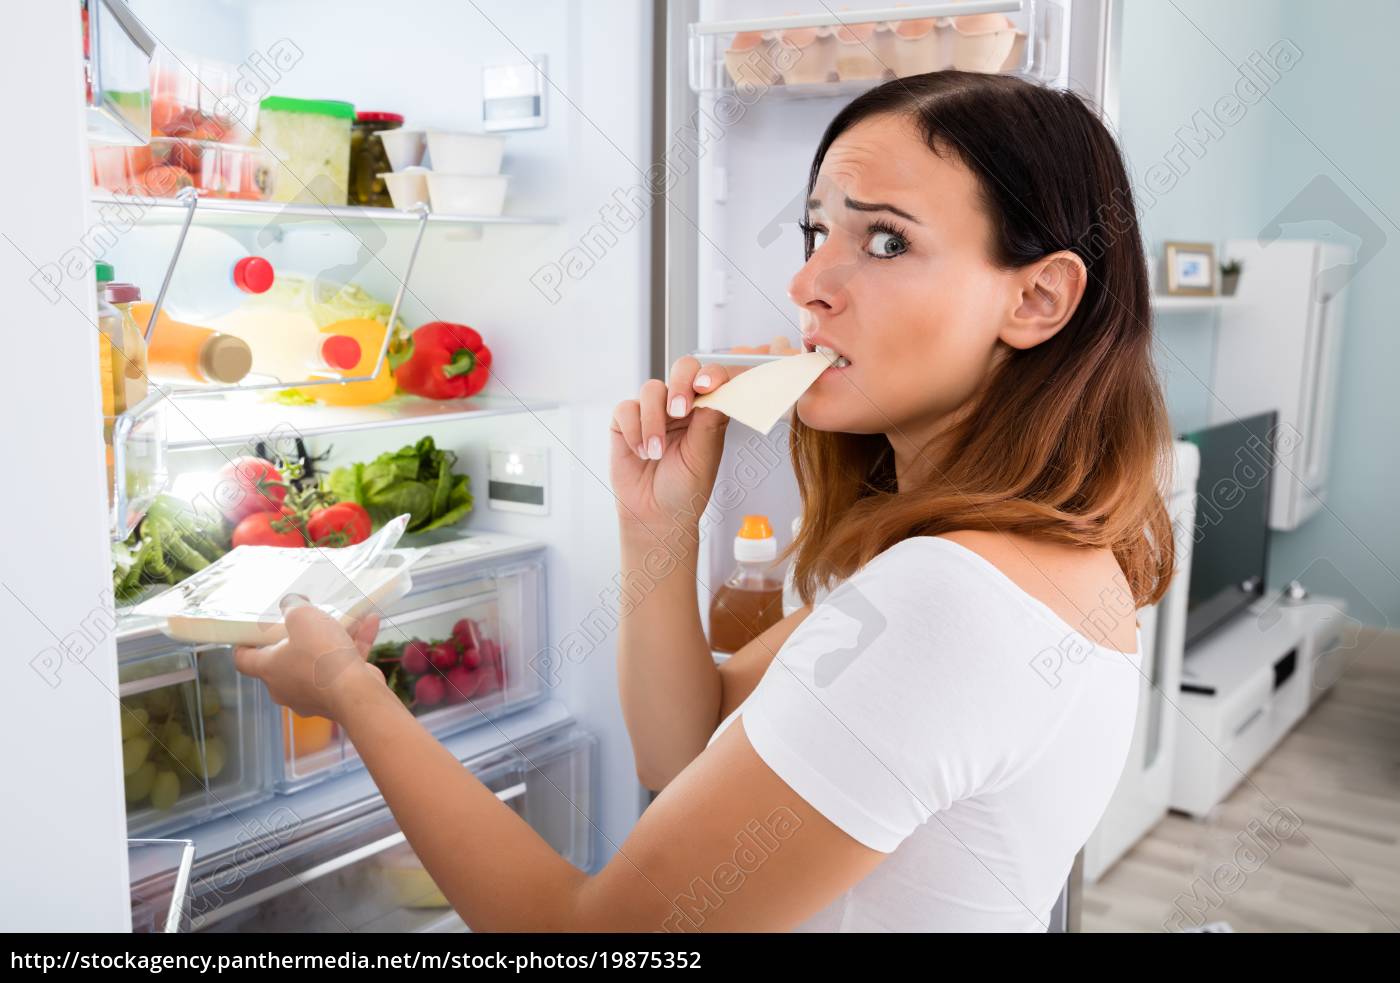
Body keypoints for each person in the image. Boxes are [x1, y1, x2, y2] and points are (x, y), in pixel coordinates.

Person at [236, 71, 1176, 932]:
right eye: (818, 233)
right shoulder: (993, 552)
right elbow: (681, 752)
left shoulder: (944, 602)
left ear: (1039, 298)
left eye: (886, 239)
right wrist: (659, 528)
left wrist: (350, 691)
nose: (809, 284)